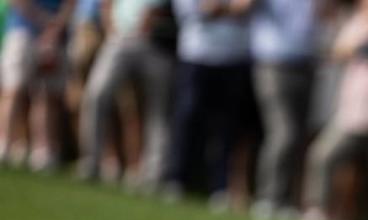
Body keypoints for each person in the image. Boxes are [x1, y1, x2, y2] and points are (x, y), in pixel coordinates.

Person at [301, 0, 368, 220]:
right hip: (354, 109)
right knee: (322, 155)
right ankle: (316, 210)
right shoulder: (356, 23)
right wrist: (367, 32)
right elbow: (339, 52)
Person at [78, 0, 176, 189]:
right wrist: (111, 29)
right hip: (119, 40)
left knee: (159, 111)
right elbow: (107, 4)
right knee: (97, 94)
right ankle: (91, 162)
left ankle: (154, 175)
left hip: (157, 45)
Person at [166, 0, 252, 208]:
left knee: (225, 126)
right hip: (196, 54)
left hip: (234, 57)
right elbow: (195, 10)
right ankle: (177, 178)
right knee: (188, 116)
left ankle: (219, 187)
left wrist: (220, 9)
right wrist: (225, 9)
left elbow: (245, 8)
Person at [242, 0, 322, 220]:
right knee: (283, 133)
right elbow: (242, 7)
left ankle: (285, 200)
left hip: (305, 64)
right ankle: (267, 197)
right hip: (272, 64)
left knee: (297, 137)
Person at [0, 0, 76, 170]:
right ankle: (4, 143)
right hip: (22, 31)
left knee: (46, 95)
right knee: (13, 89)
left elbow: (71, 3)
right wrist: (45, 21)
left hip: (55, 38)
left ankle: (42, 152)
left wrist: (55, 27)